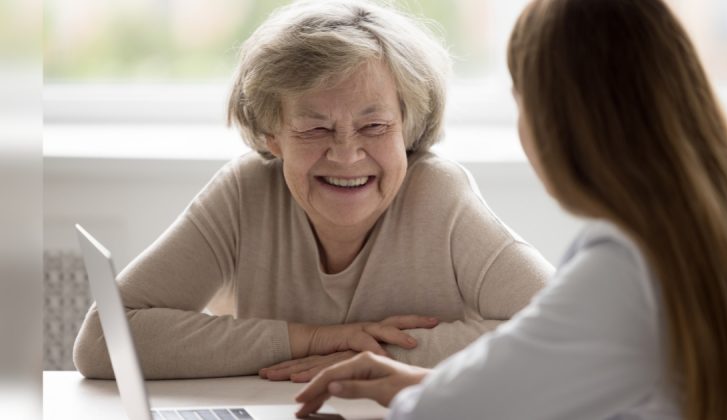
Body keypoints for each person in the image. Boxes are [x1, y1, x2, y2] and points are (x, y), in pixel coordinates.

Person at [294, 0, 727, 419]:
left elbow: (445, 413)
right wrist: (428, 384)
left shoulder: (627, 265)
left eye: (521, 100)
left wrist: (428, 395)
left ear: (558, 120)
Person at [72, 0, 554, 381]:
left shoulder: (438, 195)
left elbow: (564, 327)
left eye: (374, 125)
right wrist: (311, 339)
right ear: (271, 135)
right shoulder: (245, 193)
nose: (346, 154)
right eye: (314, 129)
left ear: (407, 129)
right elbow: (100, 342)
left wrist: (373, 356)